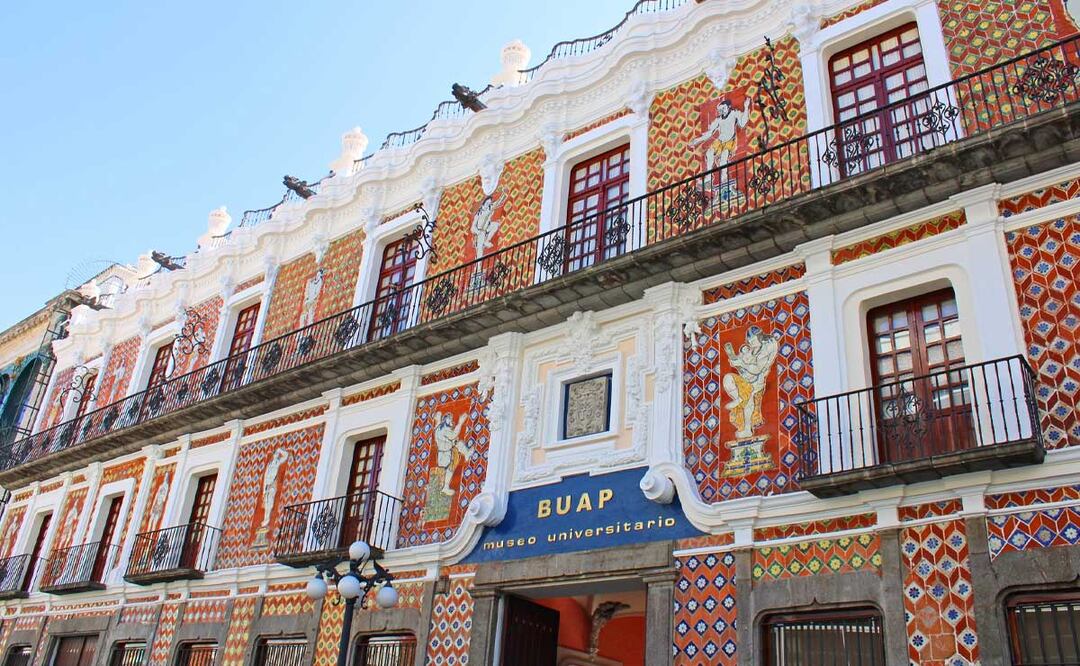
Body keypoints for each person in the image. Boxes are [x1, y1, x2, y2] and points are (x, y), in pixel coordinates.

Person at [691, 97, 752, 191]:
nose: (722, 111)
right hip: (719, 142)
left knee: (724, 156)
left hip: (729, 142)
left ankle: (724, 178)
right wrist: (697, 140)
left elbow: (743, 123)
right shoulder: (718, 120)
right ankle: (708, 178)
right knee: (709, 153)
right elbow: (709, 133)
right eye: (720, 110)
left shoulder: (734, 113)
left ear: (729, 107)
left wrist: (746, 107)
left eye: (723, 108)